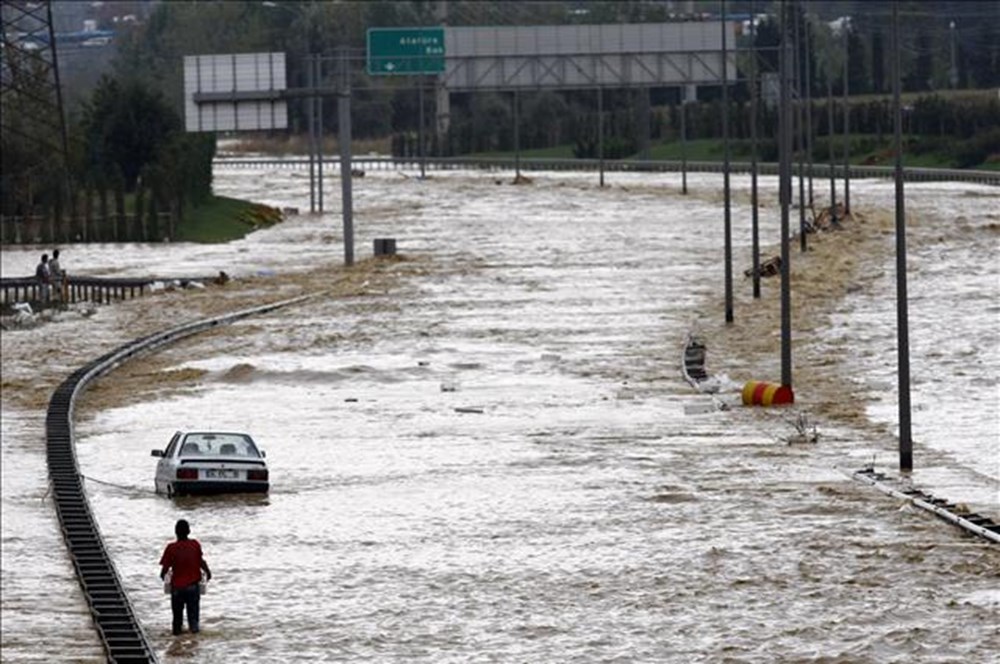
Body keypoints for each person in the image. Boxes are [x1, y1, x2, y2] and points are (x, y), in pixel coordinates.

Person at [159, 519, 212, 635]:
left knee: (177, 621)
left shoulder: (171, 548)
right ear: (189, 531)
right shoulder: (195, 544)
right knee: (193, 621)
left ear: (176, 532)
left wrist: (163, 576)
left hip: (177, 588)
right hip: (193, 586)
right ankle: (193, 644)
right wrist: (207, 572)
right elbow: (200, 561)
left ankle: (177, 642)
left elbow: (165, 569)